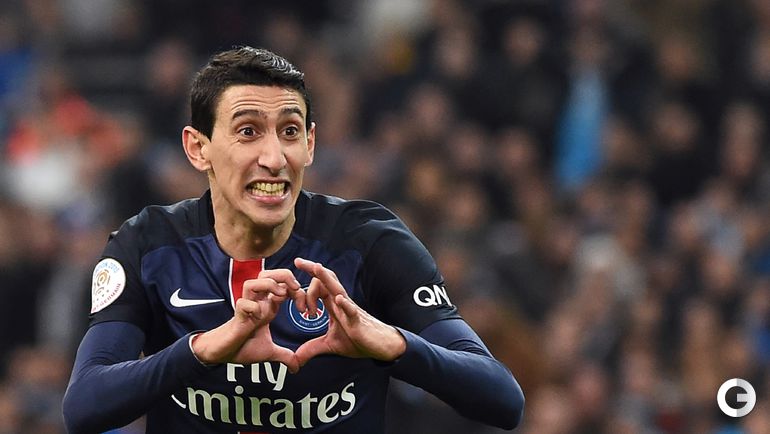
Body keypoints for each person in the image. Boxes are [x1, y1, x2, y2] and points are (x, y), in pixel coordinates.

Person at [62, 46, 524, 433]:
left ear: (310, 144)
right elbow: (84, 406)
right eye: (248, 131)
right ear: (197, 148)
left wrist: (392, 344)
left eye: (289, 131)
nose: (274, 157)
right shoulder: (148, 245)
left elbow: (503, 398)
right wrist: (202, 350)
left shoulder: (369, 242)